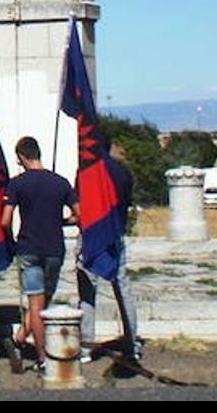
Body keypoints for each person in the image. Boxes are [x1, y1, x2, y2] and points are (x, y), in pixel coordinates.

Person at [1, 136, 79, 368]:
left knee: (35, 303)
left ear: (21, 157)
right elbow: (80, 214)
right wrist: (62, 221)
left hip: (28, 246)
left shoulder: (16, 183)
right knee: (44, 300)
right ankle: (21, 338)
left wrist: (10, 241)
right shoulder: (61, 183)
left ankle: (42, 356)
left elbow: (5, 220)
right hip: (54, 247)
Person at [77, 142, 141, 363]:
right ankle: (132, 345)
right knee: (122, 289)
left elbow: (81, 205)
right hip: (115, 233)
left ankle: (86, 346)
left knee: (87, 290)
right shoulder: (122, 171)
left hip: (92, 234)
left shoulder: (87, 172)